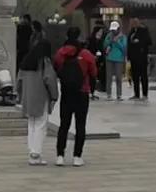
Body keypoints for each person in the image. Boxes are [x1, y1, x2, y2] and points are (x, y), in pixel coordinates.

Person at [53, 26, 97, 167]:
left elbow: (56, 69)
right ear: (79, 37)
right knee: (80, 125)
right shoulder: (86, 54)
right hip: (82, 92)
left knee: (64, 125)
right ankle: (77, 157)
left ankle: (60, 155)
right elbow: (94, 73)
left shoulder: (60, 53)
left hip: (66, 92)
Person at [18, 34, 58, 165]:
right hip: (40, 97)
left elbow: (19, 80)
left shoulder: (26, 61)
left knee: (32, 124)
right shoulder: (44, 62)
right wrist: (54, 95)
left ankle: (32, 151)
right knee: (41, 124)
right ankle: (36, 153)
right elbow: (50, 79)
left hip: (27, 97)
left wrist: (20, 95)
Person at [126, 18, 153, 101]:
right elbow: (129, 44)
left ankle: (145, 94)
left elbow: (149, 42)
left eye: (135, 22)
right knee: (135, 77)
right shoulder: (132, 32)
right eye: (133, 23)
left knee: (143, 76)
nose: (134, 24)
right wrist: (128, 56)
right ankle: (136, 94)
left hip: (141, 57)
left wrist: (139, 41)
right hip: (133, 58)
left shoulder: (144, 31)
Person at [102, 20, 127, 101]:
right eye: (112, 29)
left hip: (119, 59)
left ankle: (119, 95)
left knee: (118, 77)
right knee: (108, 77)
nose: (113, 31)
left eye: (115, 29)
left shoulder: (123, 37)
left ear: (118, 28)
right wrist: (110, 41)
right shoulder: (109, 36)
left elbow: (124, 48)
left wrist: (117, 42)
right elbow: (105, 45)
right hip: (109, 58)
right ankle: (109, 94)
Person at [88, 22, 106, 99]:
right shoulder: (91, 40)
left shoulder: (102, 41)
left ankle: (96, 89)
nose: (101, 33)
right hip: (92, 60)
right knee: (91, 76)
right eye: (100, 32)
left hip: (99, 61)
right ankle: (90, 91)